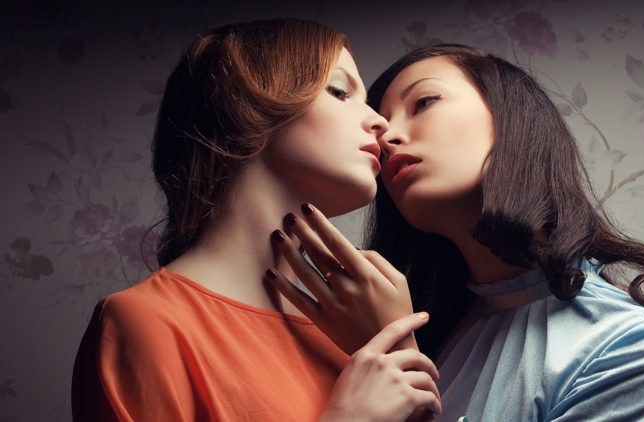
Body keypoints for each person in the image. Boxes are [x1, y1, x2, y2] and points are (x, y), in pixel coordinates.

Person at [271, 44, 644, 421]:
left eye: (423, 102)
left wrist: (399, 355)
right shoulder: (433, 325)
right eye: (382, 123)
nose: (388, 137)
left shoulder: (637, 350)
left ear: (510, 118)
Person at [71, 20, 442, 422]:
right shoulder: (145, 324)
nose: (380, 123)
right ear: (242, 109)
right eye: (339, 91)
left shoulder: (353, 338)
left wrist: (398, 342)